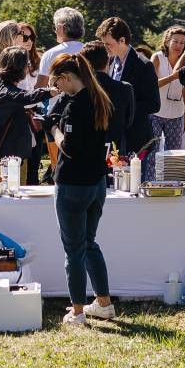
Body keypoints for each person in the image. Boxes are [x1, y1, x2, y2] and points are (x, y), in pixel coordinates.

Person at [47, 52, 119, 327]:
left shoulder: (76, 106)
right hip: (96, 182)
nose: (57, 88)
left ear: (66, 77)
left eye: (58, 83)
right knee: (89, 244)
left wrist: (53, 129)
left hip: (73, 184)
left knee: (73, 250)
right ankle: (104, 303)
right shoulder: (98, 96)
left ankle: (76, 311)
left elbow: (68, 146)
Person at [97, 17, 159, 157]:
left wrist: (124, 109)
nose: (105, 48)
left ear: (122, 40)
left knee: (136, 179)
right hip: (115, 139)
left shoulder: (144, 65)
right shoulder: (110, 61)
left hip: (136, 139)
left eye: (108, 44)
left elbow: (153, 104)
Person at [0, 47, 45, 177]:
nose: (28, 68)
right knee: (15, 191)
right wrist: (52, 90)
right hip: (12, 155)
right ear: (20, 68)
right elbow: (28, 97)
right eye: (27, 64)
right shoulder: (9, 92)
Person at [150, 24, 185, 149]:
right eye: (175, 42)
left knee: (175, 155)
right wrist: (172, 77)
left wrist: (184, 117)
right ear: (167, 42)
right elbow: (151, 85)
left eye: (182, 43)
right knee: (152, 153)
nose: (179, 45)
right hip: (156, 112)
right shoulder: (157, 57)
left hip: (177, 114)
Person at [37, 7, 85, 76]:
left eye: (55, 27)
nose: (55, 31)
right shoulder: (90, 51)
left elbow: (41, 85)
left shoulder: (50, 54)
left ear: (61, 28)